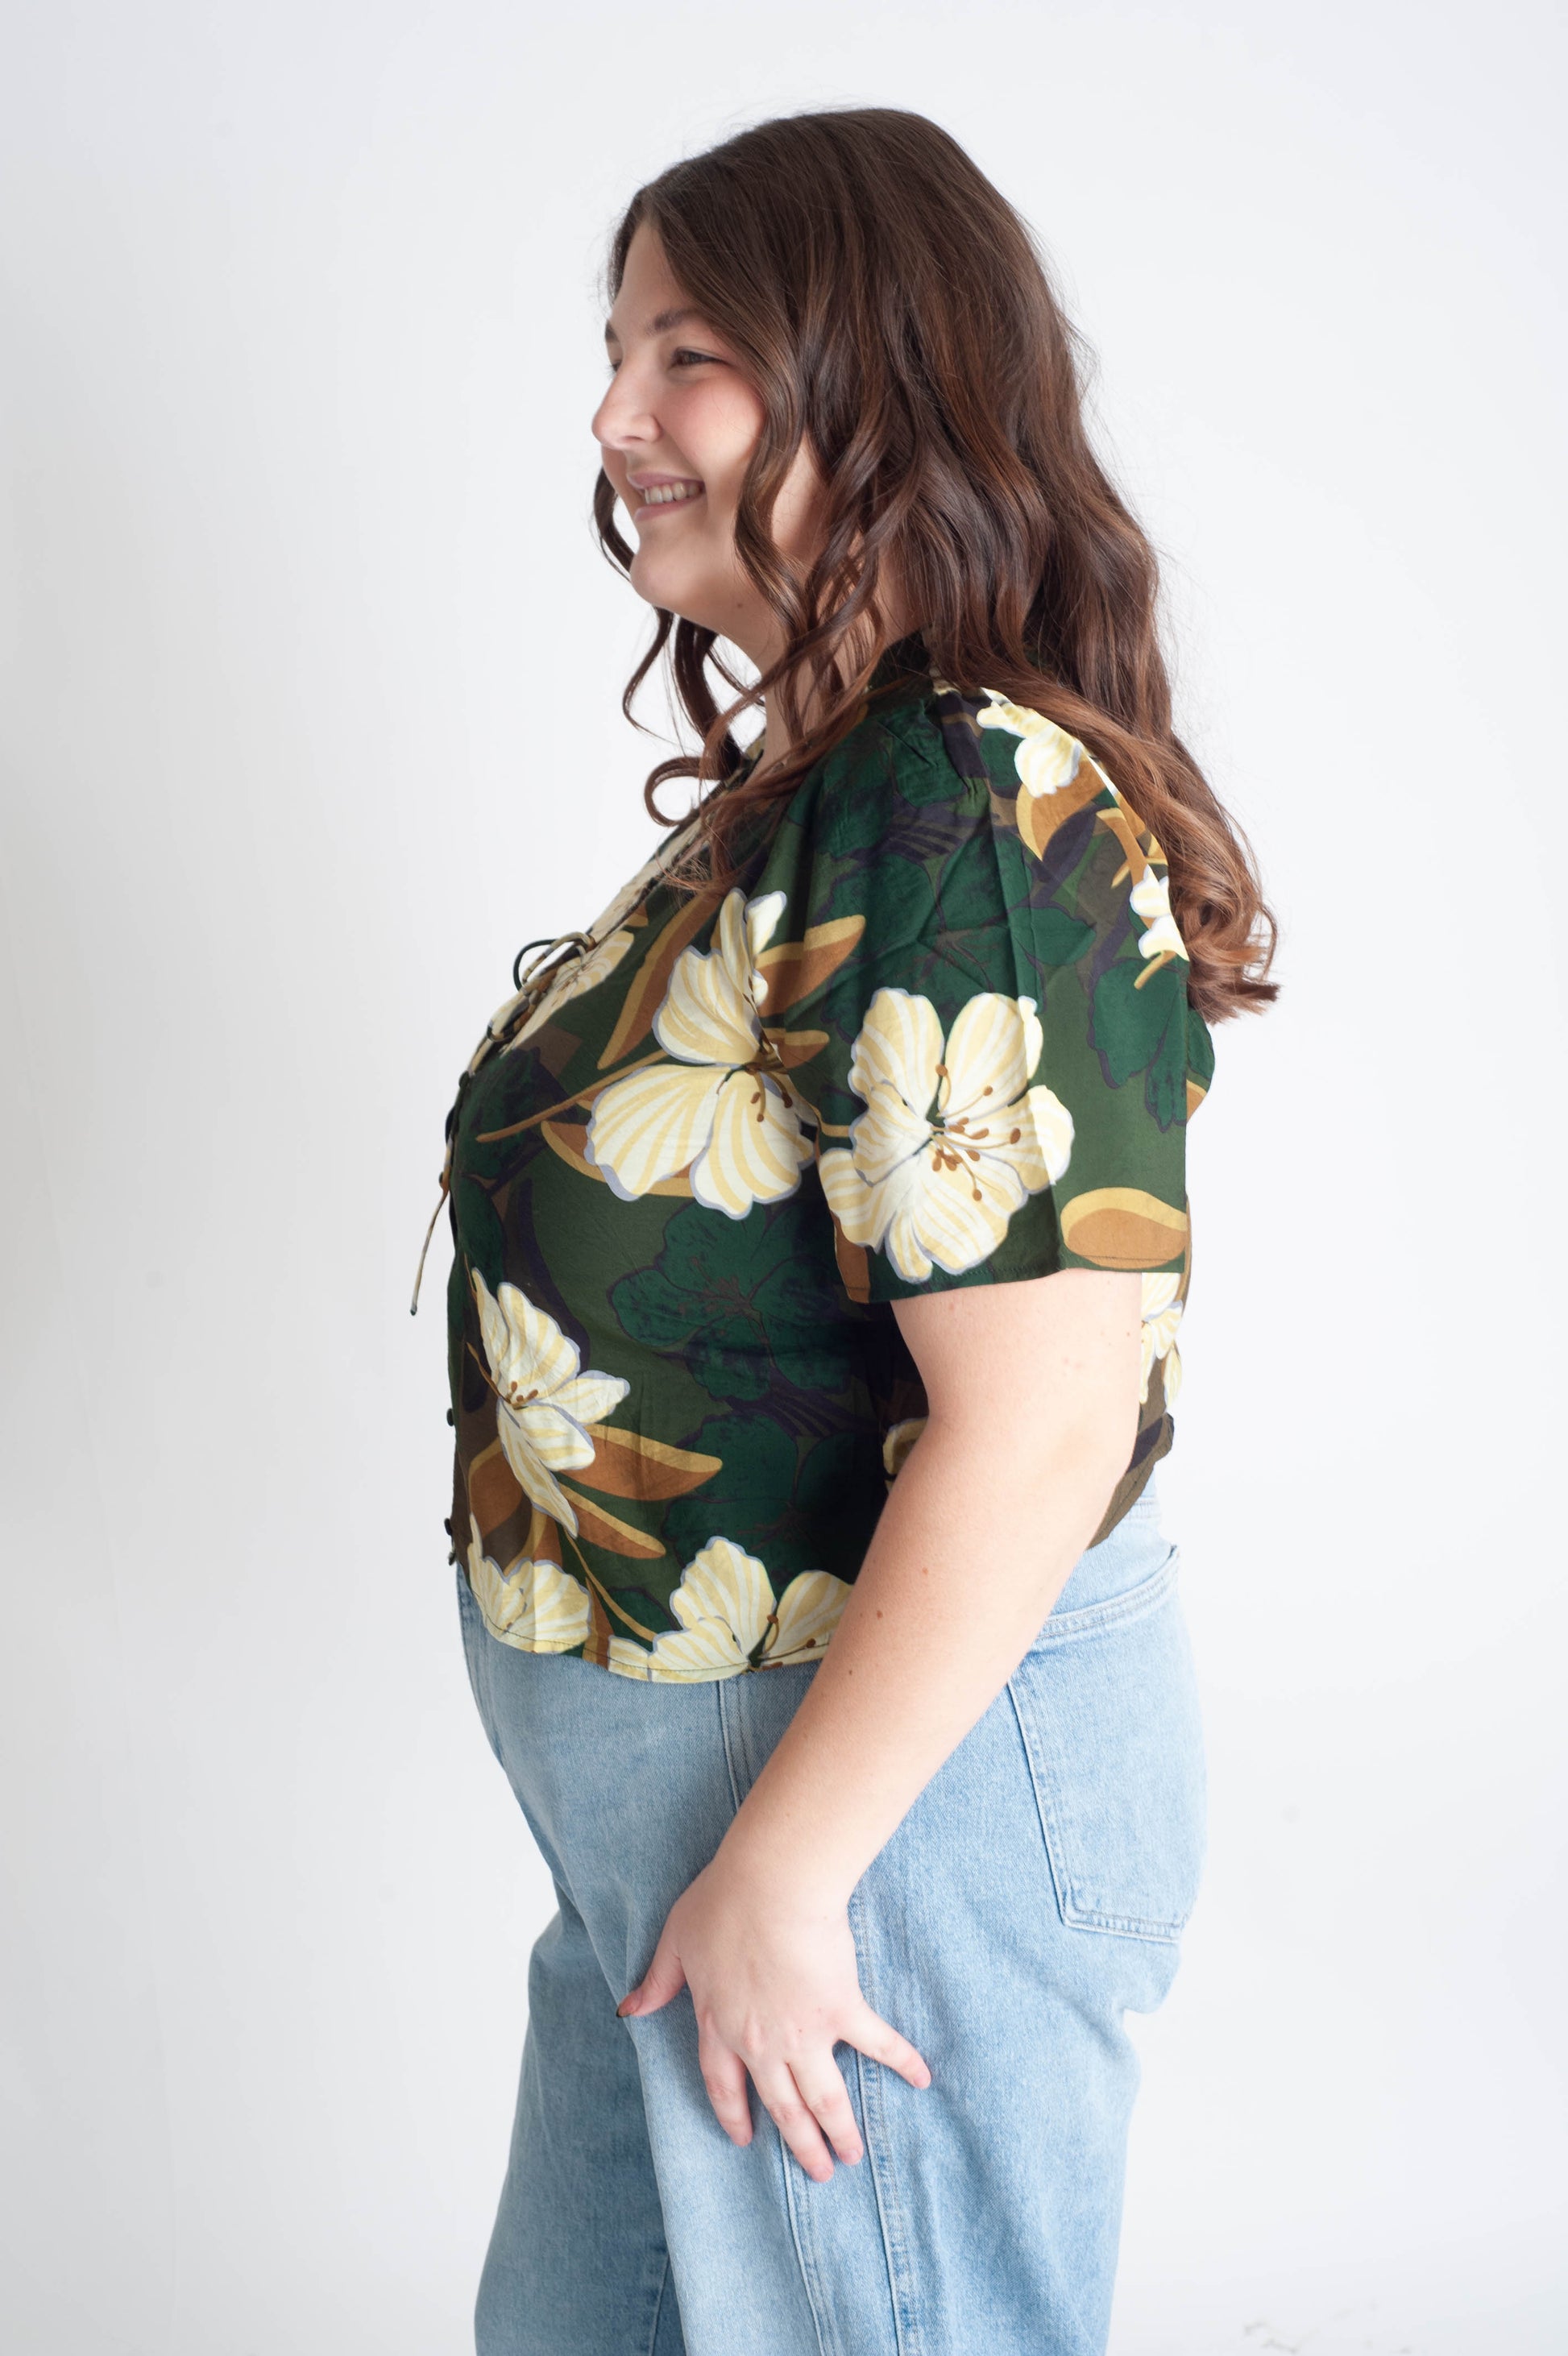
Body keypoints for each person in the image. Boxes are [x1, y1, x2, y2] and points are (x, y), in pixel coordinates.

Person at [421, 106, 1275, 2356]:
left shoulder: (951, 799)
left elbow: (1037, 1413)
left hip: (861, 1824)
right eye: (616, 353)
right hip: (709, 1827)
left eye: (684, 356)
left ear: (874, 377)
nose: (613, 421)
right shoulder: (829, 796)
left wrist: (790, 1869)